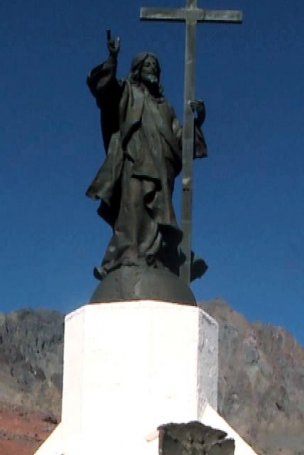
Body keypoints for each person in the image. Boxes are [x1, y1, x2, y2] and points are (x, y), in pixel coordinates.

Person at [85, 30, 207, 282]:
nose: (153, 69)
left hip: (161, 171)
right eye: (148, 65)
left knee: (157, 219)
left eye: (156, 66)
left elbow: (182, 141)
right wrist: (112, 59)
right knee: (131, 214)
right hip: (133, 163)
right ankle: (123, 259)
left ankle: (158, 259)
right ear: (138, 69)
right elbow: (104, 92)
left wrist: (197, 121)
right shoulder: (127, 92)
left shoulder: (166, 107)